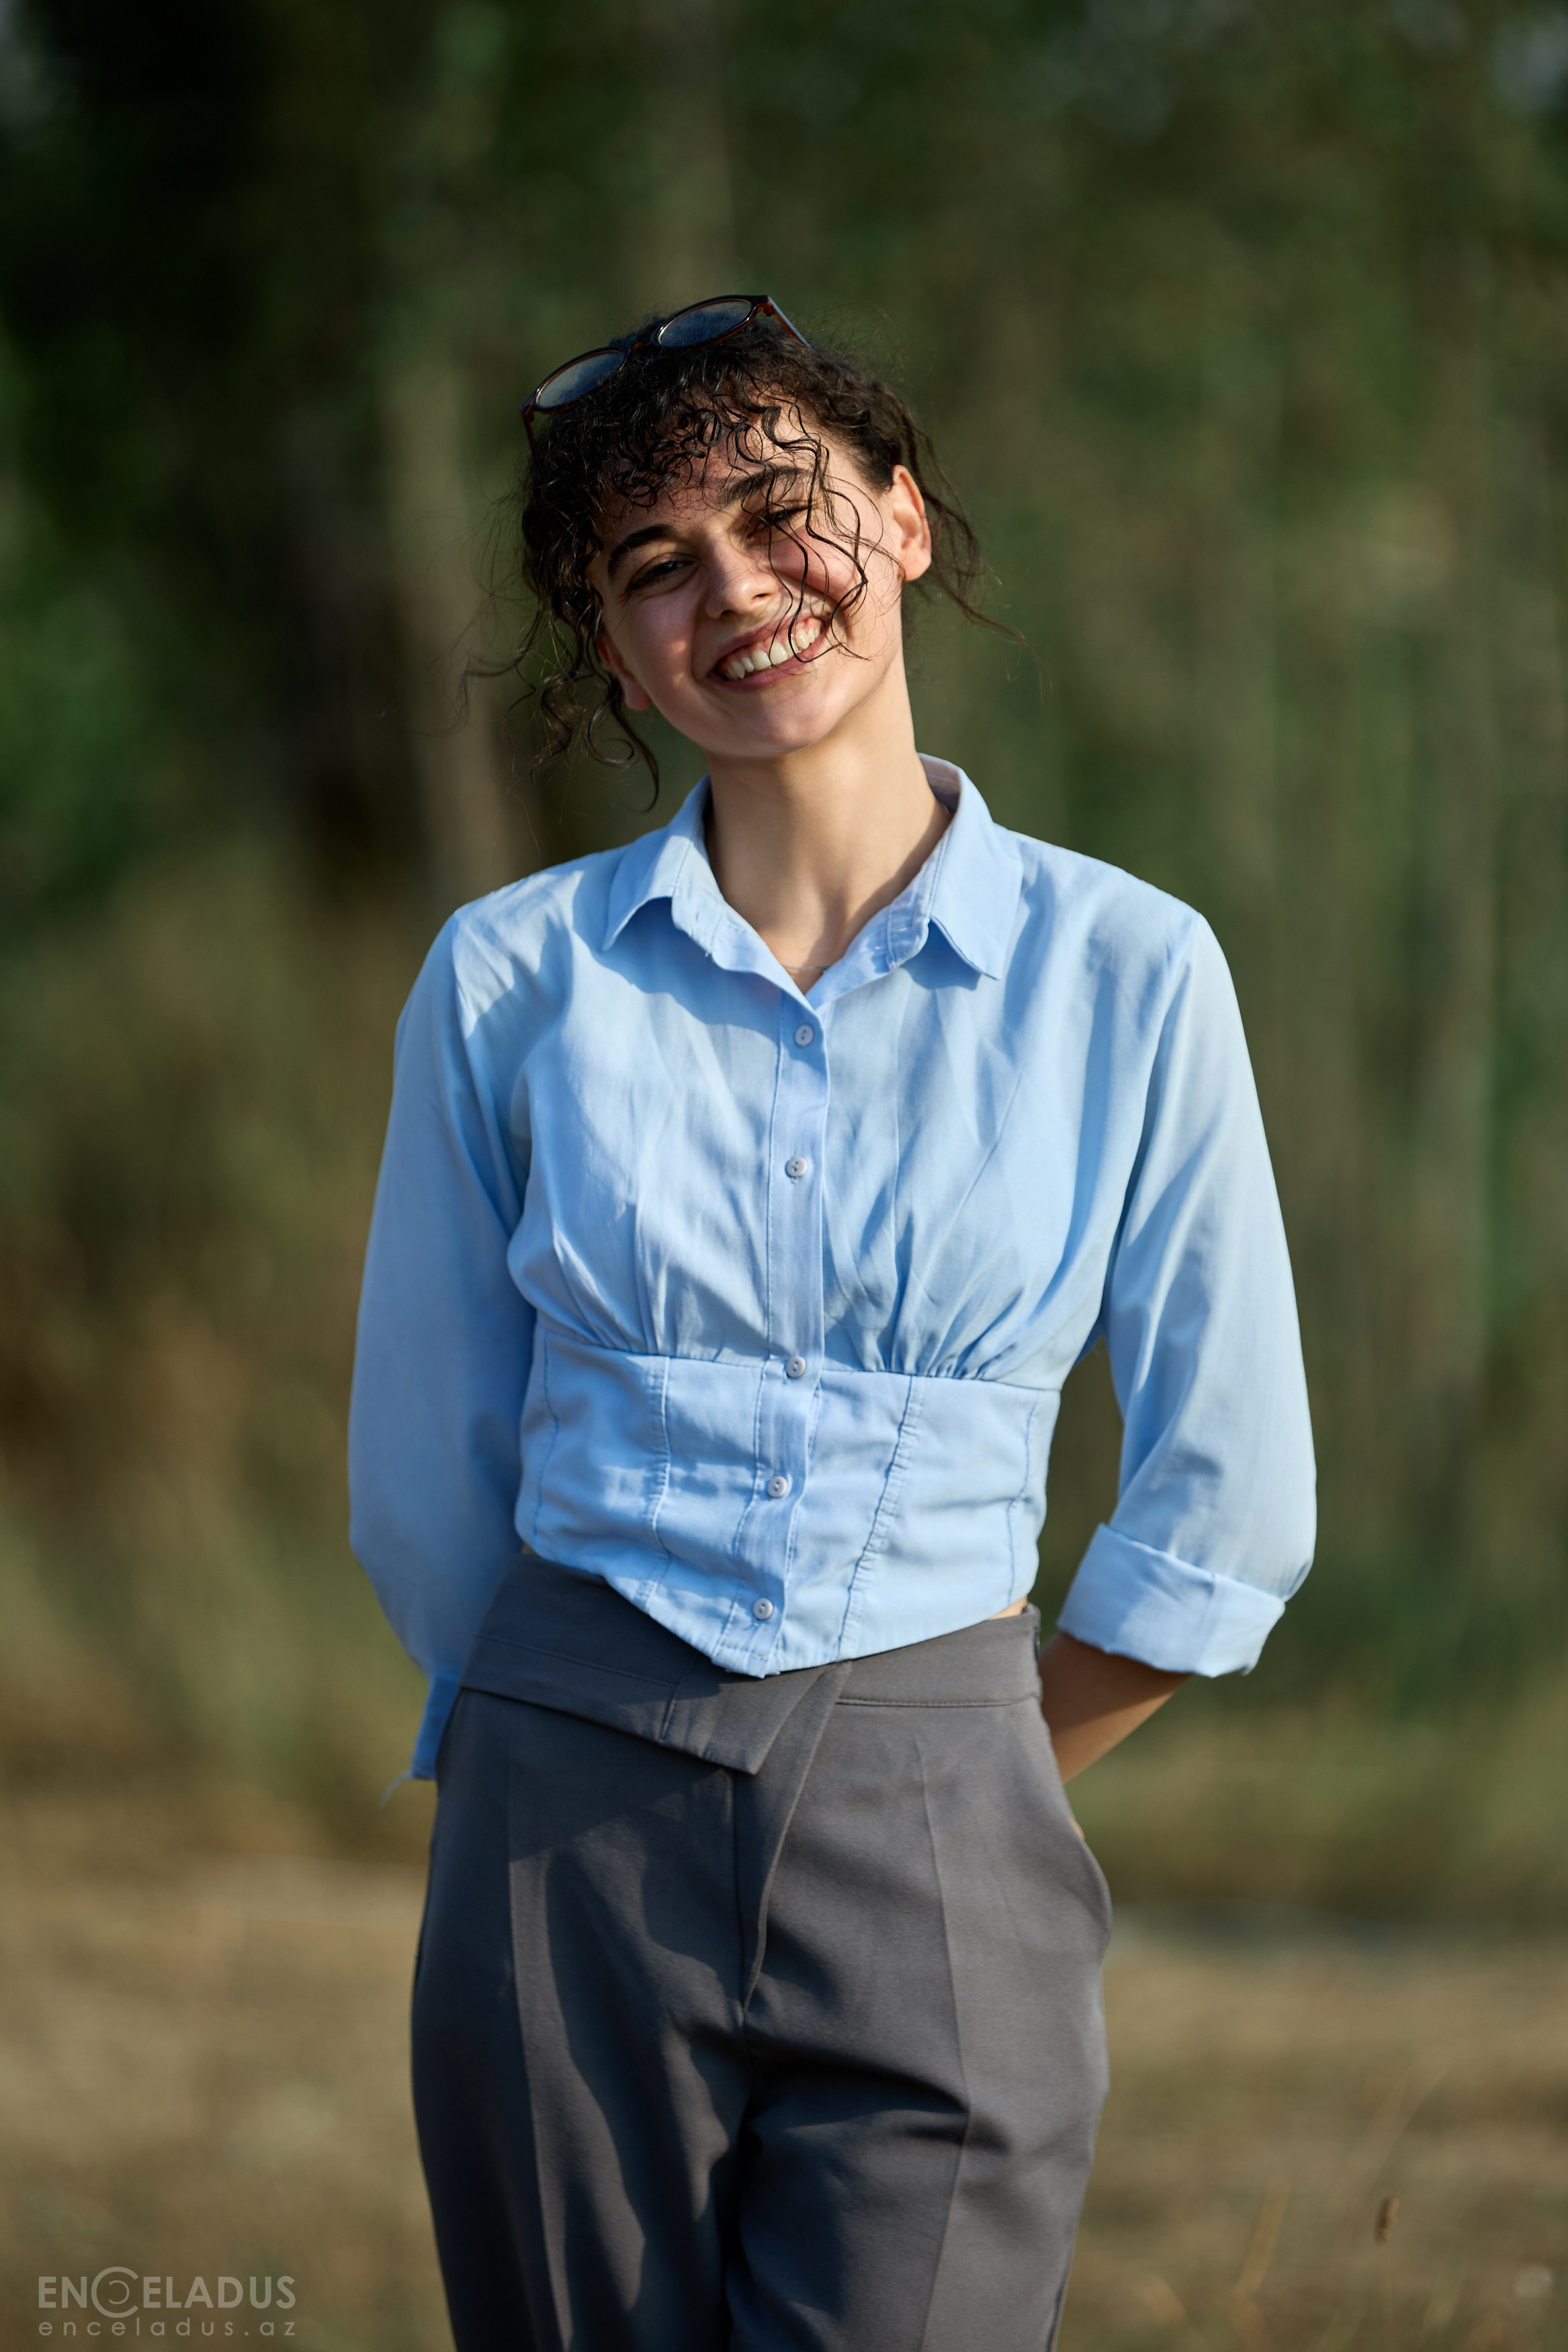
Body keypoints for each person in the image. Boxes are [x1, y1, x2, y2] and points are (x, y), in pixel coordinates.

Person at [347, 295, 1315, 2352]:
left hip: (951, 1802)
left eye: (781, 514)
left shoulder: (1130, 970)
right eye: (657, 564)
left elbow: (1230, 1497)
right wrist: (553, 1744)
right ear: (615, 650)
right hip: (559, 1811)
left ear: (904, 515)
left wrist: (971, 1758)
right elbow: (428, 1478)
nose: (737, 589)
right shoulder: (511, 980)